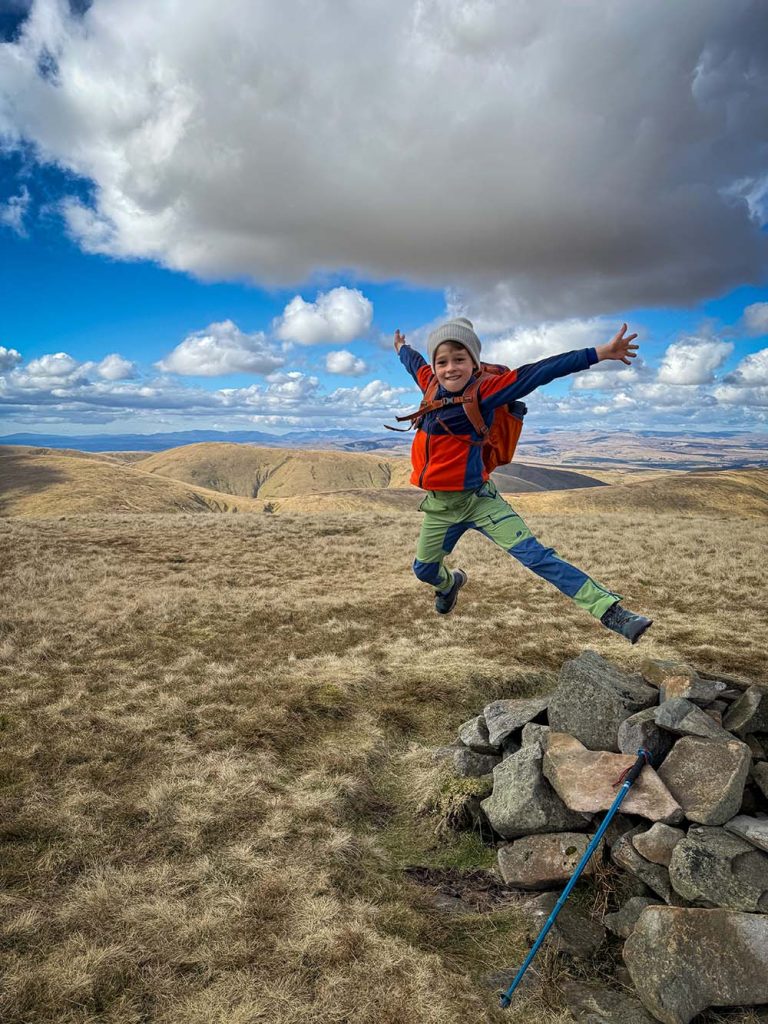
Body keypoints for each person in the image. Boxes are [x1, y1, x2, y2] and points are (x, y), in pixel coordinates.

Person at [394, 317, 653, 643]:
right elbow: (414, 364)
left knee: (537, 557)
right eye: (442, 361)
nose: (450, 369)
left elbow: (537, 372)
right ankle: (450, 584)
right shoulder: (430, 383)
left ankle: (611, 611)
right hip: (441, 509)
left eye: (459, 359)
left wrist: (599, 353)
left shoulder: (485, 392)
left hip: (480, 501)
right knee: (424, 571)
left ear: (474, 362)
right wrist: (403, 348)